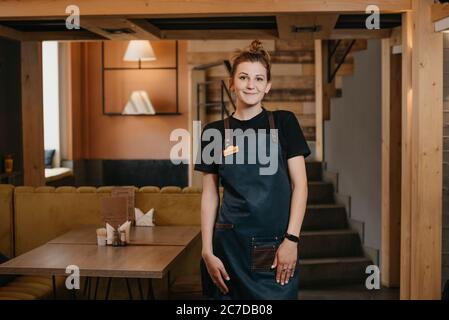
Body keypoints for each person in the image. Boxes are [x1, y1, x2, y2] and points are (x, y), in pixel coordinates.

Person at [194, 39, 310, 300]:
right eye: (244, 77)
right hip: (227, 248)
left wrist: (292, 240)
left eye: (259, 79)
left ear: (267, 86)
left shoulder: (284, 122)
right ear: (232, 83)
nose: (251, 85)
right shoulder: (213, 132)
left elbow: (300, 186)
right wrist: (207, 251)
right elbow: (210, 195)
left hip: (273, 246)